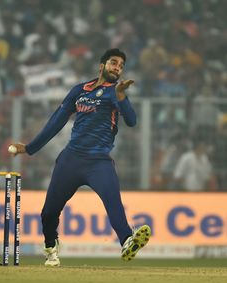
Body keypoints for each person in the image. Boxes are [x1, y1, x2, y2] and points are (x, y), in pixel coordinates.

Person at [9, 48, 151, 266]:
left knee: (114, 204)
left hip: (99, 162)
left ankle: (127, 241)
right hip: (71, 160)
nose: (118, 68)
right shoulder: (79, 90)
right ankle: (51, 248)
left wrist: (122, 97)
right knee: (48, 213)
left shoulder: (116, 91)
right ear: (102, 65)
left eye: (121, 66)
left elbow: (132, 121)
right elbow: (56, 121)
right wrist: (30, 148)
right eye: (114, 63)